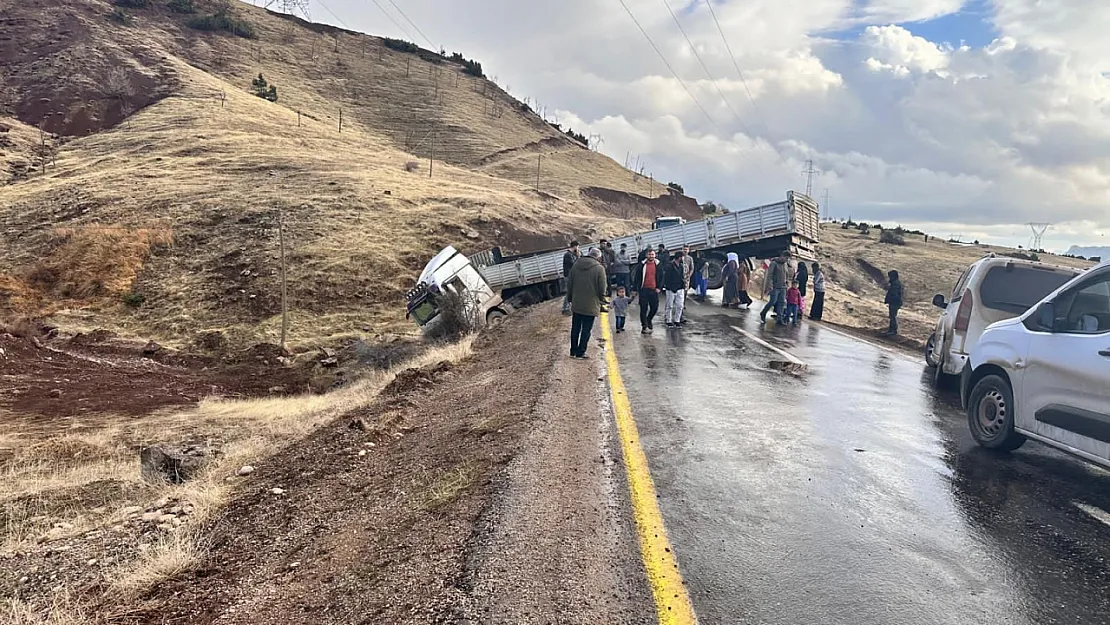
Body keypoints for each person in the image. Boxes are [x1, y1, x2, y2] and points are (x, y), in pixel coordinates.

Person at [566, 248, 608, 358]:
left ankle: (573, 351)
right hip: (591, 304)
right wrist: (602, 300)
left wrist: (570, 299)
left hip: (577, 303)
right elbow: (602, 288)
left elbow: (569, 284)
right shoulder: (599, 269)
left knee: (575, 328)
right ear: (598, 257)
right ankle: (581, 352)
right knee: (586, 329)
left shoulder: (575, 265)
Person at [631, 248, 662, 333]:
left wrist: (659, 287)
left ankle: (649, 320)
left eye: (652, 254)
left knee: (654, 307)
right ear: (646, 255)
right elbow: (637, 278)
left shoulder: (658, 264)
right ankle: (644, 326)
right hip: (644, 289)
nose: (651, 256)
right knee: (643, 309)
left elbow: (661, 276)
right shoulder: (641, 265)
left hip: (654, 290)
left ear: (655, 255)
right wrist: (634, 289)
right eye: (649, 254)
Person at [759, 252, 790, 323]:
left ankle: (780, 319)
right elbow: (770, 275)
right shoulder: (774, 263)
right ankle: (763, 313)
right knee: (772, 302)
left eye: (787, 259)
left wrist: (787, 282)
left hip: (783, 287)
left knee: (781, 303)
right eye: (786, 258)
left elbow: (786, 274)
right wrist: (770, 285)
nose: (786, 260)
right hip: (775, 286)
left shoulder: (785, 264)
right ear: (782, 256)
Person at [663, 252, 686, 328]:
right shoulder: (669, 266)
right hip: (671, 289)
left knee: (680, 306)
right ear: (679, 257)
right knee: (669, 306)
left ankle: (677, 321)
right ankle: (669, 321)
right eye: (682, 257)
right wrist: (669, 287)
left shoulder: (681, 266)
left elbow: (682, 276)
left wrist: (683, 286)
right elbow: (666, 278)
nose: (683, 259)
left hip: (680, 288)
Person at [883, 269, 904, 336]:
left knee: (893, 316)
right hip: (894, 302)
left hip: (895, 302)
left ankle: (893, 330)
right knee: (892, 316)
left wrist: (890, 299)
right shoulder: (895, 283)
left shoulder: (896, 283)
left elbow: (894, 294)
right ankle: (891, 329)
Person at [561, 240, 580, 315]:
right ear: (575, 246)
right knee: (569, 292)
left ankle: (571, 307)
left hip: (572, 275)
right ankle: (565, 308)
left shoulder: (572, 254)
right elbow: (575, 264)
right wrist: (577, 256)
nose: (578, 248)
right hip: (569, 276)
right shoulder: (568, 255)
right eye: (578, 247)